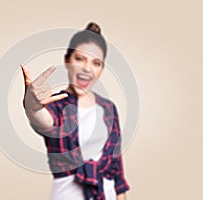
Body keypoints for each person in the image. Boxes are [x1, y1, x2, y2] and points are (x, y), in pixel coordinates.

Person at [21, 22, 130, 200]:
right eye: (80, 59)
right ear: (67, 60)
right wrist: (32, 108)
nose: (87, 68)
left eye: (96, 63)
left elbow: (117, 173)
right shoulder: (57, 105)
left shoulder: (109, 109)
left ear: (101, 70)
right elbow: (44, 121)